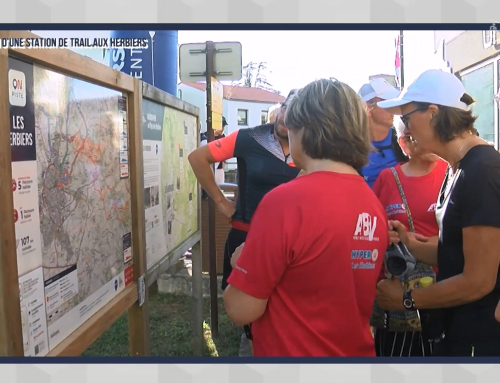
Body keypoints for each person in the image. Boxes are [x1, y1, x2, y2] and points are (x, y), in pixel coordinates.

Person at [223, 78, 389, 357]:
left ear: (306, 130)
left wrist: (240, 260)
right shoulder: (372, 202)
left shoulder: (284, 202)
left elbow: (240, 308)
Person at [375, 69, 500, 357]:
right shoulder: (458, 168)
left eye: (406, 119)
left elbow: (478, 281)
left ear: (432, 112)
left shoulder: (481, 172)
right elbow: (458, 253)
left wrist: (407, 300)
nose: (403, 130)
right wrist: (411, 245)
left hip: (479, 341)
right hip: (459, 333)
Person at [188, 90, 300, 347]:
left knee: (283, 308)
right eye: (285, 107)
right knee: (248, 312)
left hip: (290, 242)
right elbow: (198, 158)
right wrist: (221, 202)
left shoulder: (310, 148)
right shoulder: (249, 137)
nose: (285, 116)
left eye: (294, 112)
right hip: (246, 236)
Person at [371, 117, 447, 357]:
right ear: (404, 142)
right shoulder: (388, 178)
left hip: (446, 289)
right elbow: (371, 228)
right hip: (399, 295)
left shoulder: (453, 172)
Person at [358, 78, 407, 187]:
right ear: (369, 107)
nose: (396, 108)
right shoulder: (351, 148)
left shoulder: (405, 138)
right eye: (388, 102)